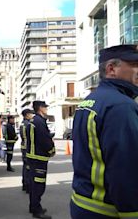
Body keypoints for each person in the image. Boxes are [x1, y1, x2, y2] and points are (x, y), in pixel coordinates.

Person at [70, 44, 138, 218]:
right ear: (111, 69)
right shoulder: (121, 106)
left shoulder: (90, 101)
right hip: (105, 210)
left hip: (82, 203)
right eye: (134, 65)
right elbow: (125, 170)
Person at [26, 101, 56, 219]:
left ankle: (33, 206)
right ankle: (36, 210)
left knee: (34, 184)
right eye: (45, 107)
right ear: (40, 108)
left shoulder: (33, 121)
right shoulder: (39, 122)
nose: (46, 109)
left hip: (33, 158)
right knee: (38, 185)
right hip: (39, 158)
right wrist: (51, 151)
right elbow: (45, 140)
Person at [20, 108, 34, 193]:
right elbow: (27, 137)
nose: (32, 115)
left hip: (24, 147)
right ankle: (28, 185)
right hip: (27, 148)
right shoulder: (27, 124)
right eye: (30, 114)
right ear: (27, 115)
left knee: (25, 167)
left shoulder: (23, 123)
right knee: (28, 167)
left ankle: (25, 184)